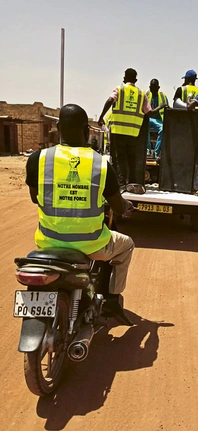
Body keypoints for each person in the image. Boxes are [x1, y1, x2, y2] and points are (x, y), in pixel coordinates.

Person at [25, 104, 135, 326]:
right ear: (86, 131)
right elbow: (119, 207)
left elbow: (35, 197)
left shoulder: (39, 159)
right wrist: (127, 205)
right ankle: (112, 299)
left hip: (48, 243)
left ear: (58, 127)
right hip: (91, 245)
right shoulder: (101, 163)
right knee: (127, 245)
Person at [98, 68, 151, 186]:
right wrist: (161, 107)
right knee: (131, 158)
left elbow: (110, 100)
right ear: (136, 80)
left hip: (118, 131)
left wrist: (101, 116)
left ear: (124, 78)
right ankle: (132, 183)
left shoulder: (119, 89)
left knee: (119, 158)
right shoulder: (141, 94)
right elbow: (149, 112)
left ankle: (121, 184)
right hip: (133, 132)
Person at [146, 79, 168, 159]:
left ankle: (156, 152)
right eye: (152, 88)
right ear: (149, 87)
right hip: (148, 119)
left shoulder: (163, 96)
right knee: (144, 127)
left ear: (158, 88)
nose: (153, 90)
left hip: (159, 120)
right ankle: (148, 150)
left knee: (163, 129)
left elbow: (167, 108)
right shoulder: (146, 94)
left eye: (155, 88)